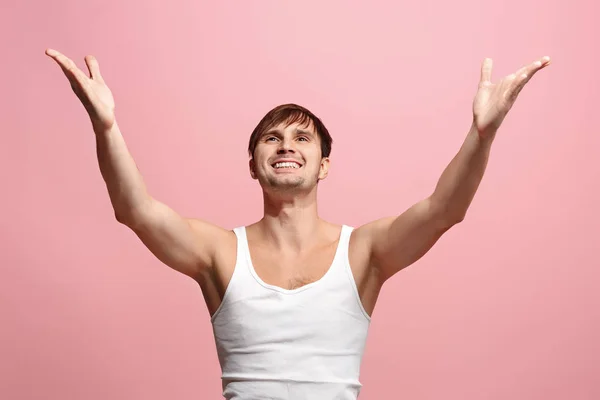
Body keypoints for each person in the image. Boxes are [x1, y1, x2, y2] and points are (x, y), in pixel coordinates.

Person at [45, 48, 551, 399]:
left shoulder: (364, 251)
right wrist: (105, 126)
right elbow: (136, 210)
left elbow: (444, 210)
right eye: (272, 138)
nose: (286, 145)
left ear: (324, 165)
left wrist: (482, 135)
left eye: (302, 138)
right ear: (252, 165)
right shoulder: (220, 252)